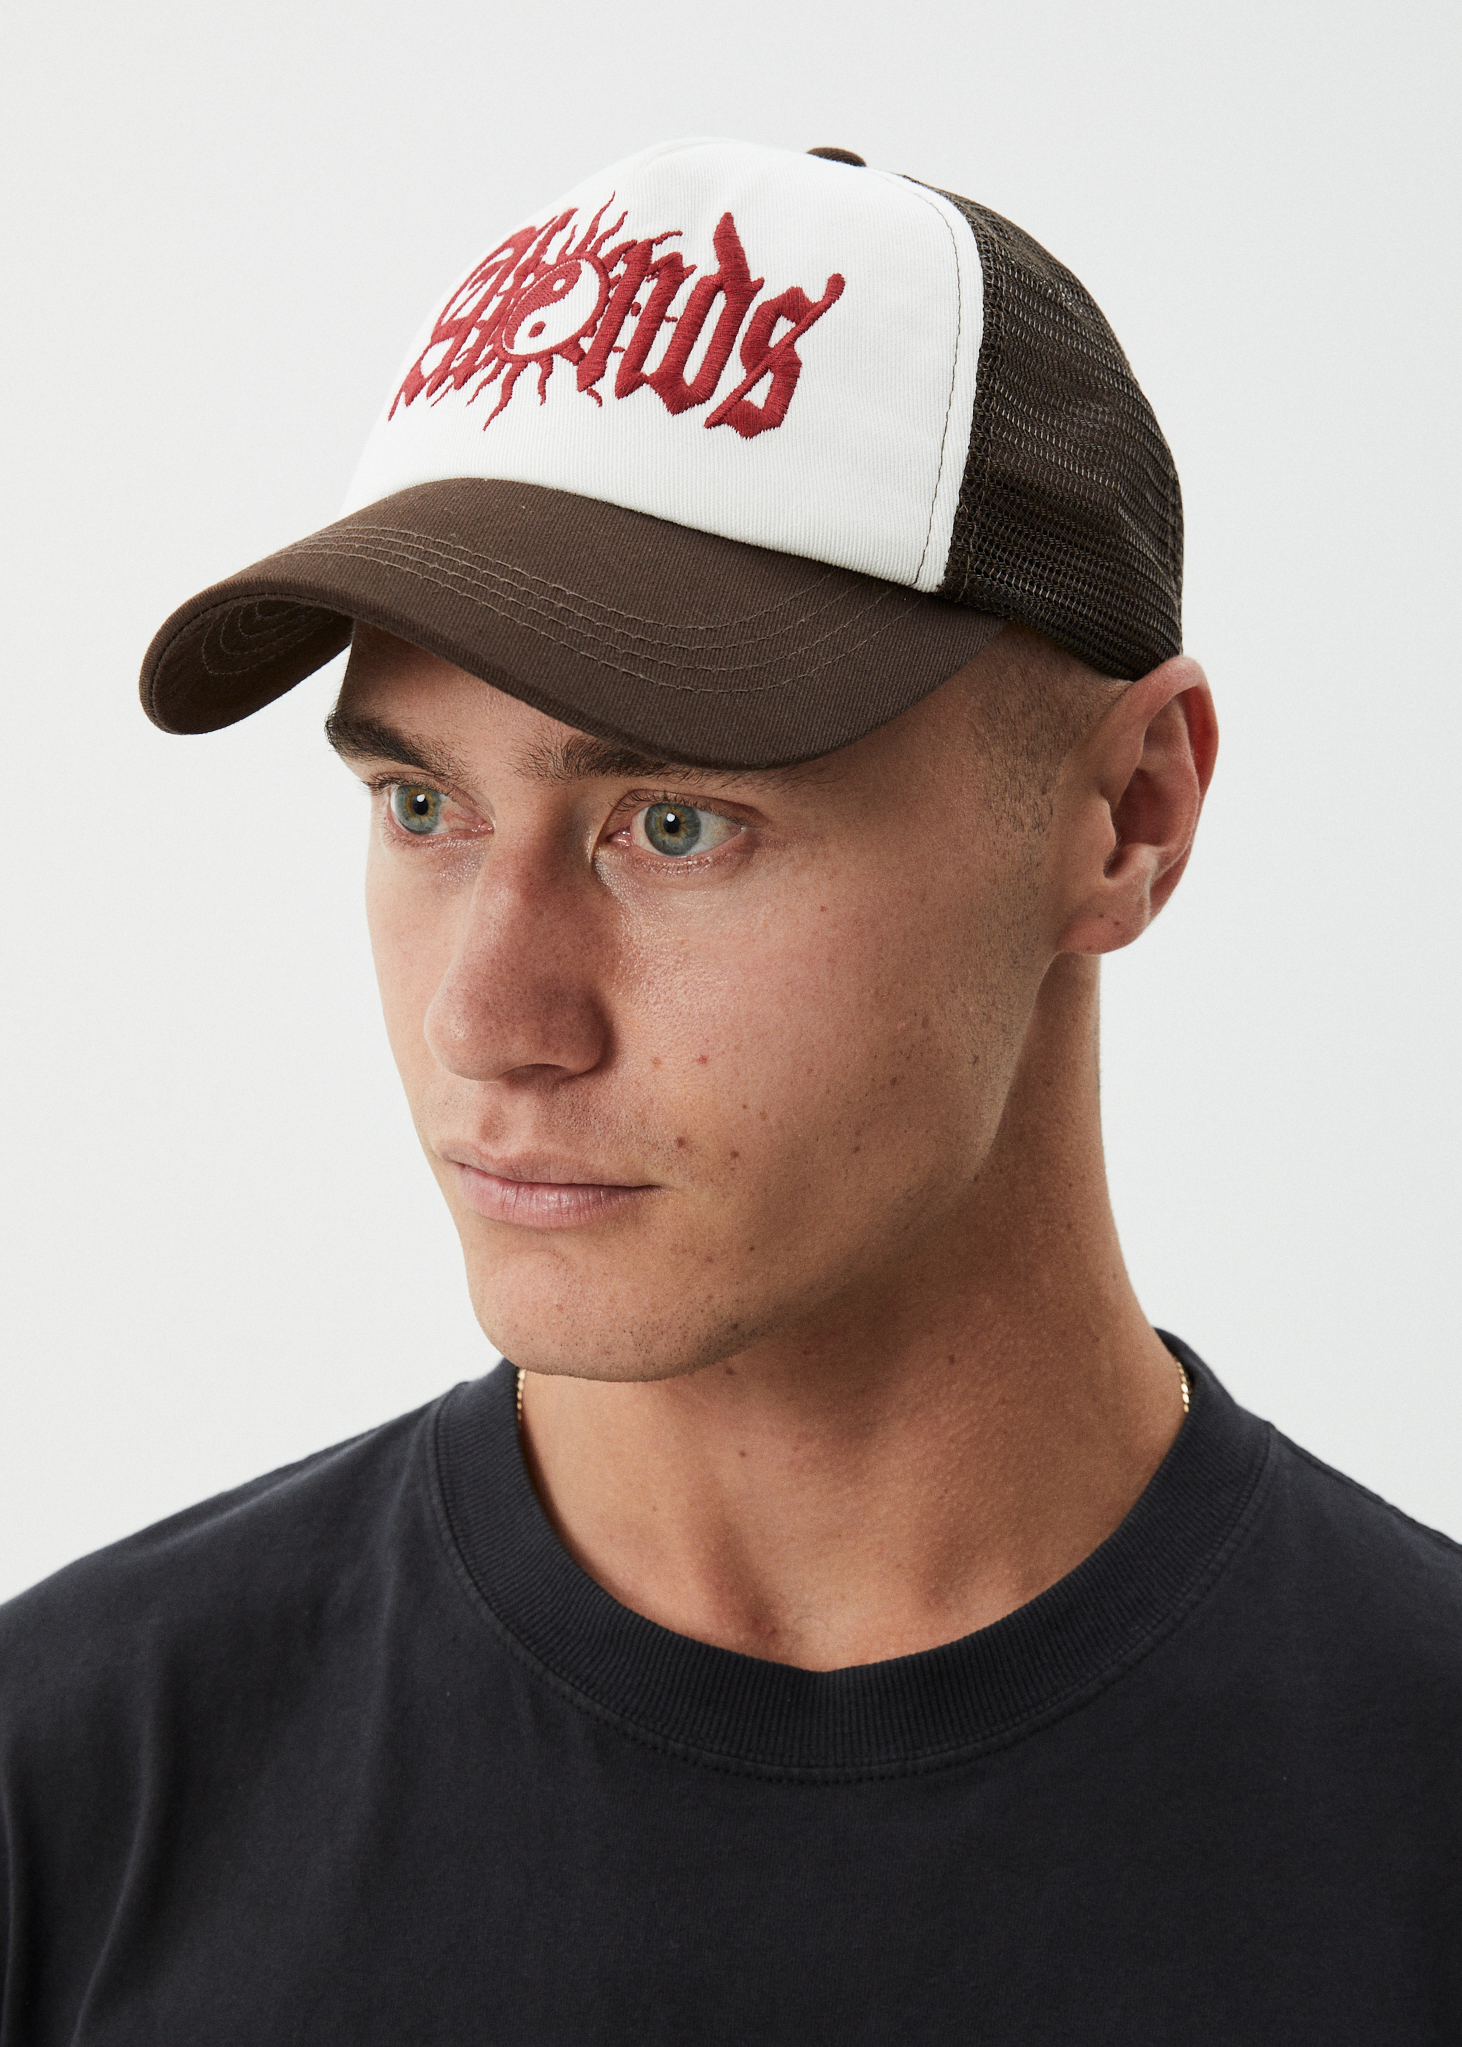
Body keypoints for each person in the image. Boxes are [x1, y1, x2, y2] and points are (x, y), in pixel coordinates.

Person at [2, 138, 1457, 2045]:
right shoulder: (72, 1793)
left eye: (673, 822)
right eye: (421, 805)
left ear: (1130, 813)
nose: (487, 1019)